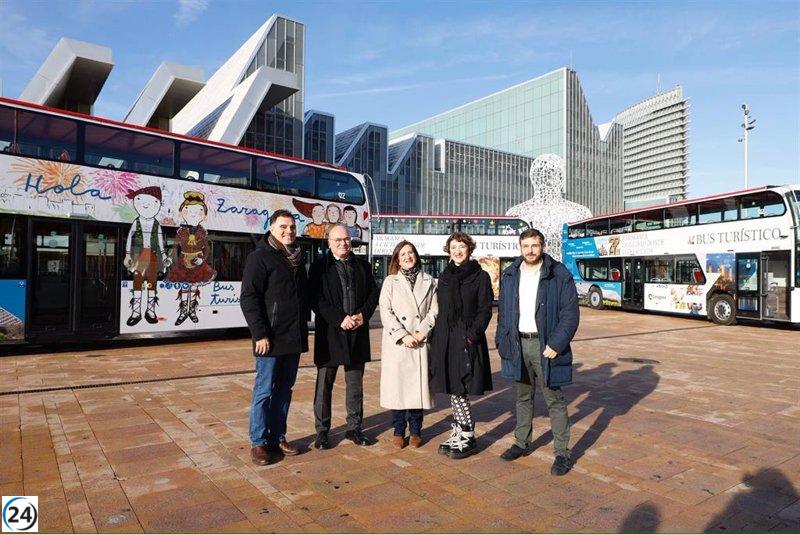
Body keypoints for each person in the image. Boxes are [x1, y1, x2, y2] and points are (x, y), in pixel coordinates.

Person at [495, 228, 579, 476]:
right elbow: (503, 312)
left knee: (554, 399)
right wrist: (502, 340)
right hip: (518, 343)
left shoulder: (558, 274)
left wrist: (557, 344)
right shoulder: (511, 273)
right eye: (526, 246)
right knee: (522, 396)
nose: (530, 250)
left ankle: (562, 453)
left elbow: (570, 314)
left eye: (535, 245)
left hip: (546, 346)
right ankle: (522, 442)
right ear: (520, 248)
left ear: (542, 246)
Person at [240, 209, 309, 466]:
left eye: (292, 227)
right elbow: (249, 297)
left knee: (284, 390)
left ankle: (277, 437)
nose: (288, 231)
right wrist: (259, 333)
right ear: (271, 228)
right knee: (264, 390)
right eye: (283, 227)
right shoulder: (261, 257)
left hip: (292, 337)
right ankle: (258, 442)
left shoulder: (297, 258)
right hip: (269, 338)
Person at [309, 223, 379, 449]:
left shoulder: (364, 266)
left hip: (357, 333)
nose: (343, 244)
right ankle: (322, 432)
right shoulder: (319, 267)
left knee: (355, 385)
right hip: (330, 334)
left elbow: (372, 294)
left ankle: (354, 428)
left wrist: (362, 315)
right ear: (329, 242)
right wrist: (340, 318)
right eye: (338, 240)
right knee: (324, 386)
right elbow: (316, 299)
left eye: (346, 239)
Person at [429, 232, 493, 459]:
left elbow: (485, 310)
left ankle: (468, 433)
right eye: (454, 247)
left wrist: (471, 335)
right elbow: (440, 309)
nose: (457, 251)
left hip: (466, 338)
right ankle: (457, 429)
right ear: (448, 250)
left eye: (462, 247)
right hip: (446, 338)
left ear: (469, 249)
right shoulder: (444, 277)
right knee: (453, 388)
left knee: (461, 388)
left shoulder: (480, 276)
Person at [378, 241, 438, 448]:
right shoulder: (390, 281)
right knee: (398, 390)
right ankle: (397, 430)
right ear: (396, 259)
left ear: (416, 255)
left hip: (420, 341)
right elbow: (385, 311)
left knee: (416, 390)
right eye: (402, 254)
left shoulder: (429, 281)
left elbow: (434, 311)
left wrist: (422, 332)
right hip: (399, 343)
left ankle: (415, 430)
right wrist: (403, 335)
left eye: (410, 252)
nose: (407, 256)